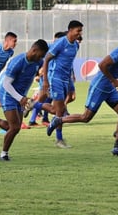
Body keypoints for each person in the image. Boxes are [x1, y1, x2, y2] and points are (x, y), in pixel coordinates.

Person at [47, 31, 118, 156]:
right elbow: (102, 65)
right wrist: (113, 81)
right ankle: (59, 120)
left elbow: (114, 72)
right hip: (99, 87)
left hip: (109, 89)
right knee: (86, 117)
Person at [0, 39, 49, 161]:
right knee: (14, 128)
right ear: (34, 50)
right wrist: (21, 98)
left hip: (19, 96)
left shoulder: (38, 61)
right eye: (41, 55)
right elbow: (7, 84)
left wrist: (45, 81)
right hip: (7, 94)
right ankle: (4, 154)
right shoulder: (17, 62)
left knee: (13, 127)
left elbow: (44, 67)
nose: (41, 58)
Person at [41, 20, 83, 148]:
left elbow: (68, 63)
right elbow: (47, 59)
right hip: (56, 78)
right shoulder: (60, 43)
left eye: (81, 31)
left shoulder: (76, 45)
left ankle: (35, 105)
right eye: (78, 31)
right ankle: (59, 140)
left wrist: (71, 78)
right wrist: (46, 80)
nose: (80, 33)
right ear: (70, 30)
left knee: (57, 110)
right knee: (59, 111)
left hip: (66, 79)